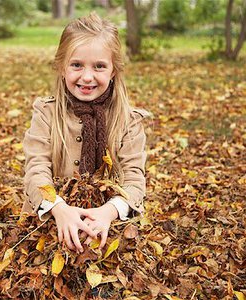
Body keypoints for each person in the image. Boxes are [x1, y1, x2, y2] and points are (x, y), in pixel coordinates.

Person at [21, 12, 150, 254]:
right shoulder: (47, 112)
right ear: (62, 67)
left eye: (99, 66)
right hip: (49, 218)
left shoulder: (129, 120)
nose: (87, 77)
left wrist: (107, 212)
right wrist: (59, 208)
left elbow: (134, 181)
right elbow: (36, 168)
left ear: (113, 71)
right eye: (77, 65)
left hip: (107, 222)